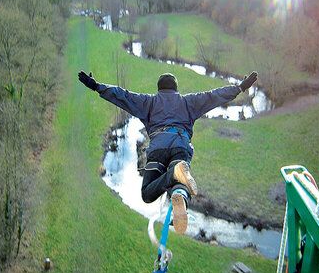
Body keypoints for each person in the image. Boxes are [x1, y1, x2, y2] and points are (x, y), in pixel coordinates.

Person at [78, 70, 257, 234]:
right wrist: (239, 87)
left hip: (158, 148)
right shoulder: (188, 101)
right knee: (180, 181)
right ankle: (178, 189)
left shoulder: (148, 102)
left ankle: (174, 177)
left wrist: (96, 86)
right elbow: (213, 96)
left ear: (159, 89)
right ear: (176, 89)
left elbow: (122, 95)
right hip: (180, 145)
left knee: (148, 194)